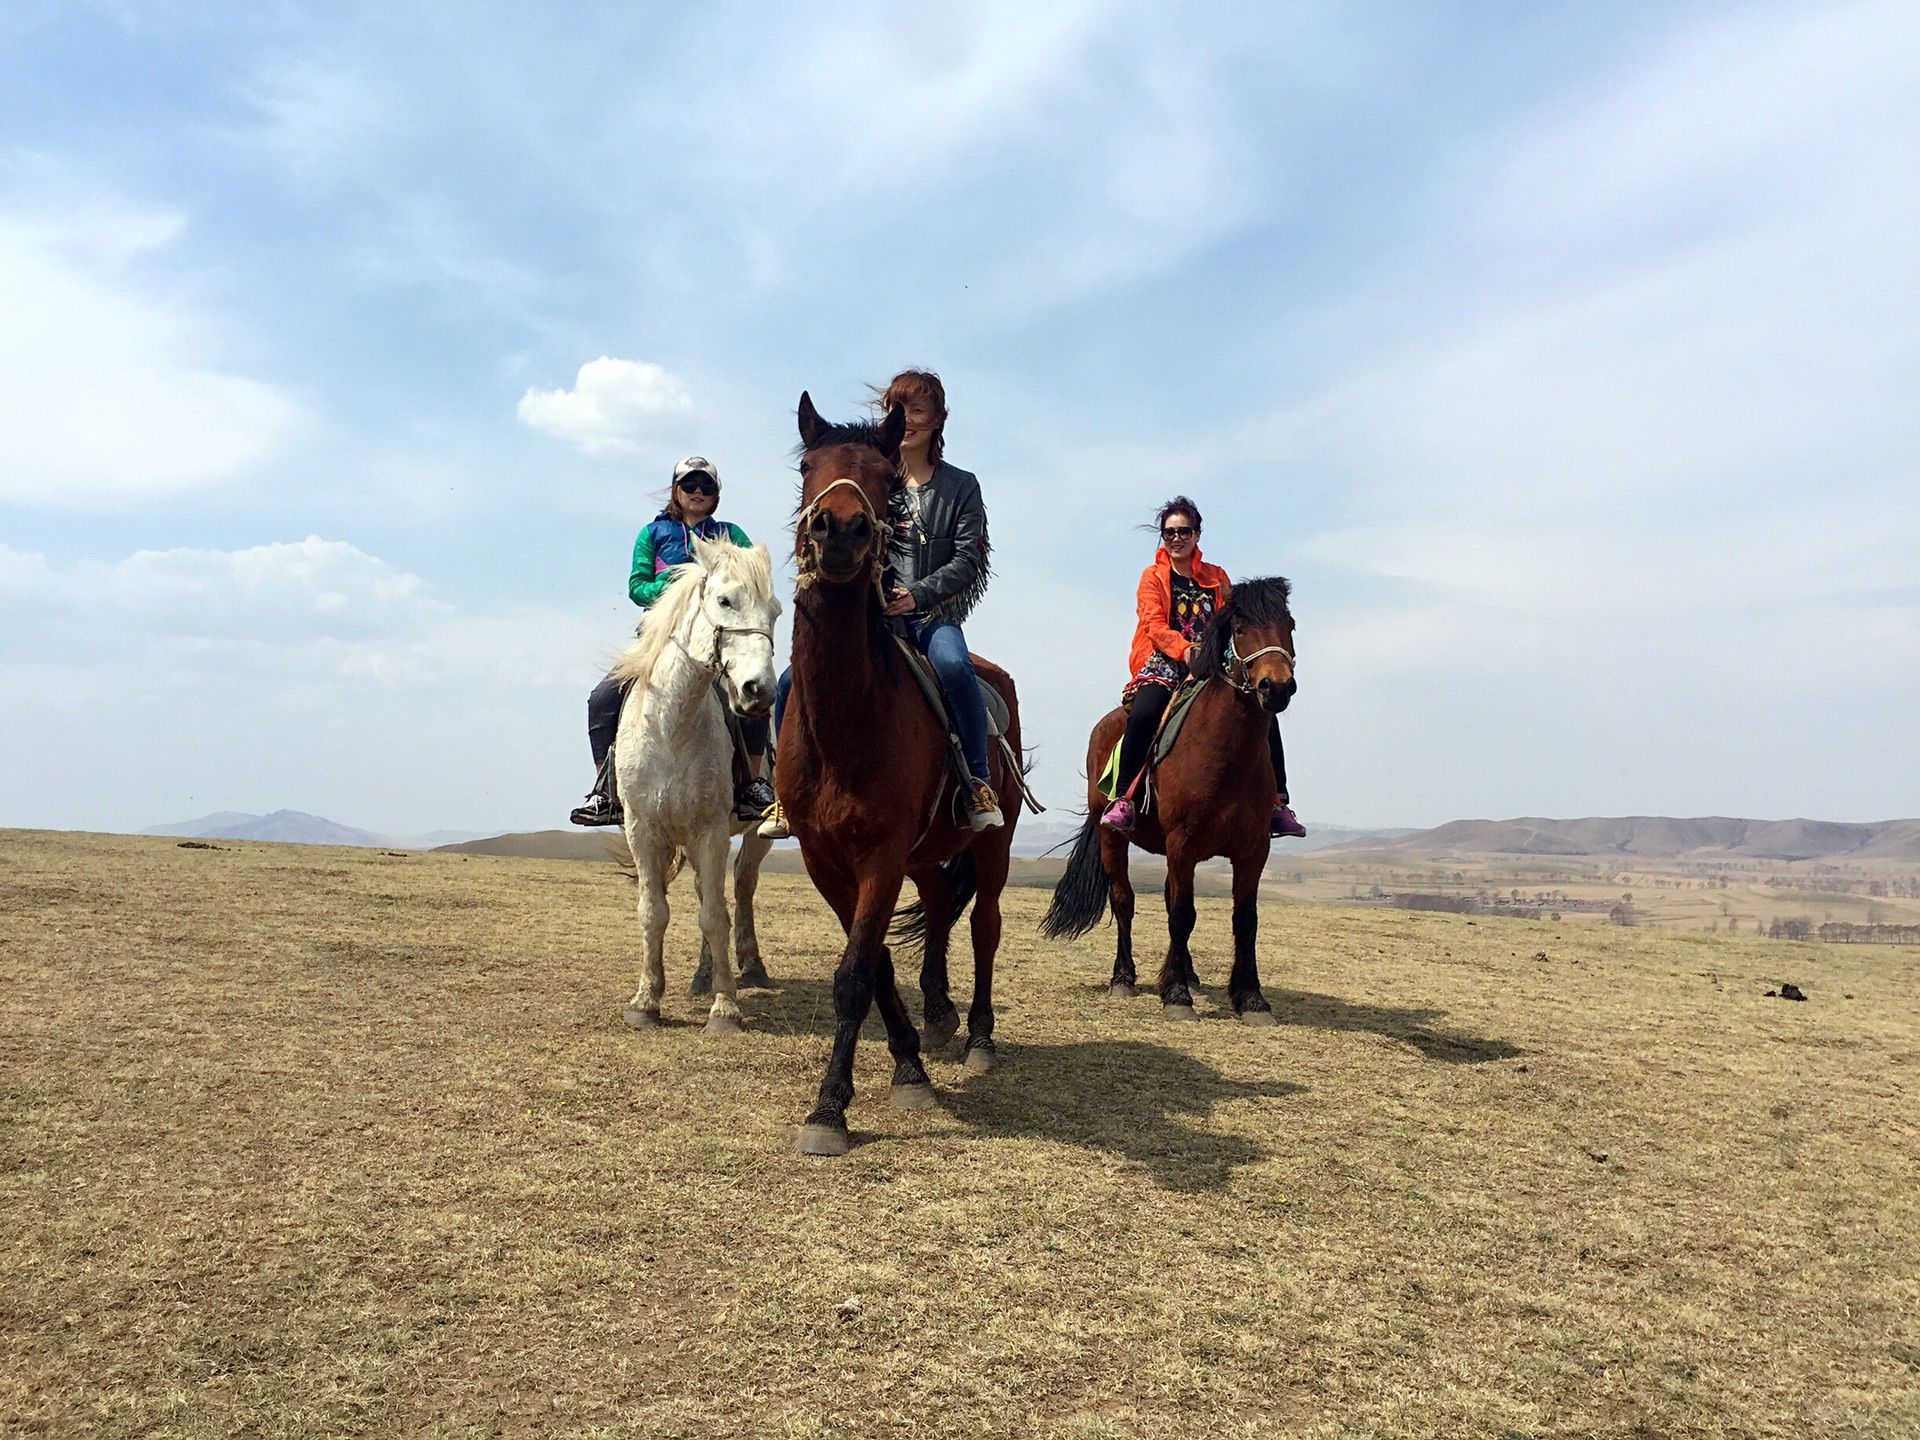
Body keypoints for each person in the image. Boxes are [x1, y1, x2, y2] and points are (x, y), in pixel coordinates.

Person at [763, 368, 1001, 836]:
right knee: (791, 682)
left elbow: (968, 560)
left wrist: (918, 594)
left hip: (932, 617)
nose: (908, 419)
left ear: (938, 419)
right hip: (871, 618)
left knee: (954, 666)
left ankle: (977, 780)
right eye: (900, 409)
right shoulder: (866, 474)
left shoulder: (960, 486)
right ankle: (782, 791)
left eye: (919, 410)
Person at [569, 456, 777, 826]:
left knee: (748, 701)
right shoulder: (652, 534)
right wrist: (678, 583)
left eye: (706, 487)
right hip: (658, 637)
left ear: (716, 495)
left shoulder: (732, 534)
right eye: (690, 485)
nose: (698, 492)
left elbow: (753, 577)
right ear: (675, 490)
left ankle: (751, 783)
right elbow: (636, 587)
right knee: (602, 698)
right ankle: (607, 790)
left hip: (715, 640)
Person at [1100, 496, 1305, 839]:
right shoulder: (1152, 577)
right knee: (1146, 710)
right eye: (1169, 533)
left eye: (1184, 531)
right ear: (1163, 537)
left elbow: (1232, 620)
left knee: (1262, 712)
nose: (1177, 538)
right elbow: (1153, 625)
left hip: (1212, 663)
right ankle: (1124, 799)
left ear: (1197, 535)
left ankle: (1277, 803)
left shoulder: (1216, 577)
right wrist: (1185, 652)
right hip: (1165, 659)